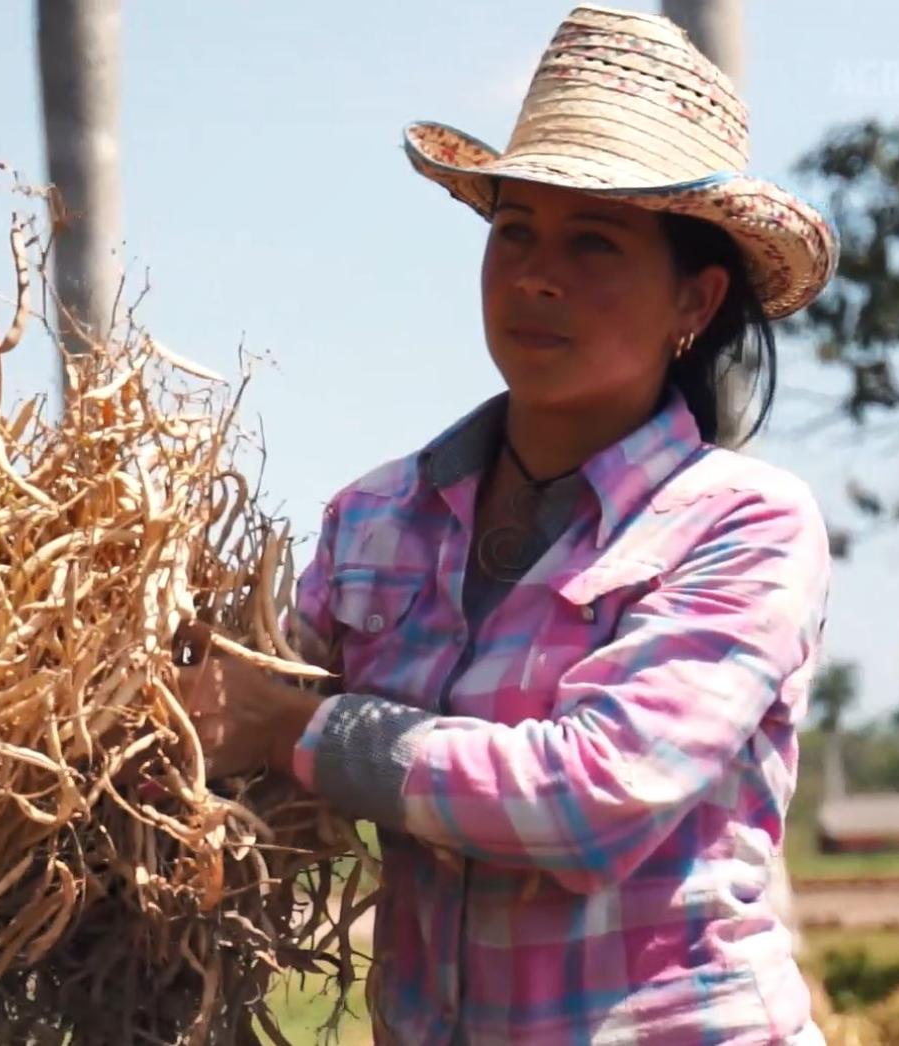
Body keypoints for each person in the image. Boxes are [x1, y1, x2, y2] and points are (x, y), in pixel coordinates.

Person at [176, 5, 837, 1042]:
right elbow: (253, 747)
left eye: (593, 241)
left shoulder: (740, 526)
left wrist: (289, 727)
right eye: (513, 231)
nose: (536, 273)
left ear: (694, 302)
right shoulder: (374, 519)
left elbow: (586, 796)